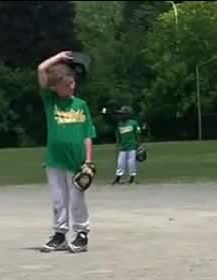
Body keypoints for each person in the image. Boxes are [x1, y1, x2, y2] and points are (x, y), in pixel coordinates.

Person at [37, 51, 97, 254]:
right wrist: (59, 57)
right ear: (55, 87)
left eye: (72, 83)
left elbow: (88, 134)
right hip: (55, 160)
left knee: (76, 199)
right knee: (58, 199)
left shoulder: (81, 105)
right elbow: (41, 69)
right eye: (66, 85)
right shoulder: (50, 102)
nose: (71, 87)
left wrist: (88, 161)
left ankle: (81, 234)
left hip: (77, 161)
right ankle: (60, 234)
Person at [110, 106, 143, 185]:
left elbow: (137, 134)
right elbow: (118, 136)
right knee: (120, 163)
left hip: (132, 146)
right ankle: (117, 179)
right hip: (123, 147)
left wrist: (139, 145)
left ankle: (132, 179)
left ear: (127, 114)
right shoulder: (120, 124)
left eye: (122, 114)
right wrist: (117, 145)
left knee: (131, 163)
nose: (120, 116)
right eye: (120, 114)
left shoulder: (133, 123)